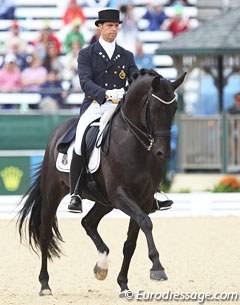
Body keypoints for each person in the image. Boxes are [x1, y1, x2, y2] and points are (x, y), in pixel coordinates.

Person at [68, 9, 173, 213]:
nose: (113, 30)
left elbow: (135, 80)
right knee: (81, 140)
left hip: (120, 107)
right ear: (100, 27)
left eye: (116, 26)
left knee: (146, 136)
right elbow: (85, 82)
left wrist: (130, 91)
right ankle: (76, 193)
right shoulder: (86, 54)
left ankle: (155, 189)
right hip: (95, 106)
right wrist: (106, 94)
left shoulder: (126, 55)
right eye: (109, 26)